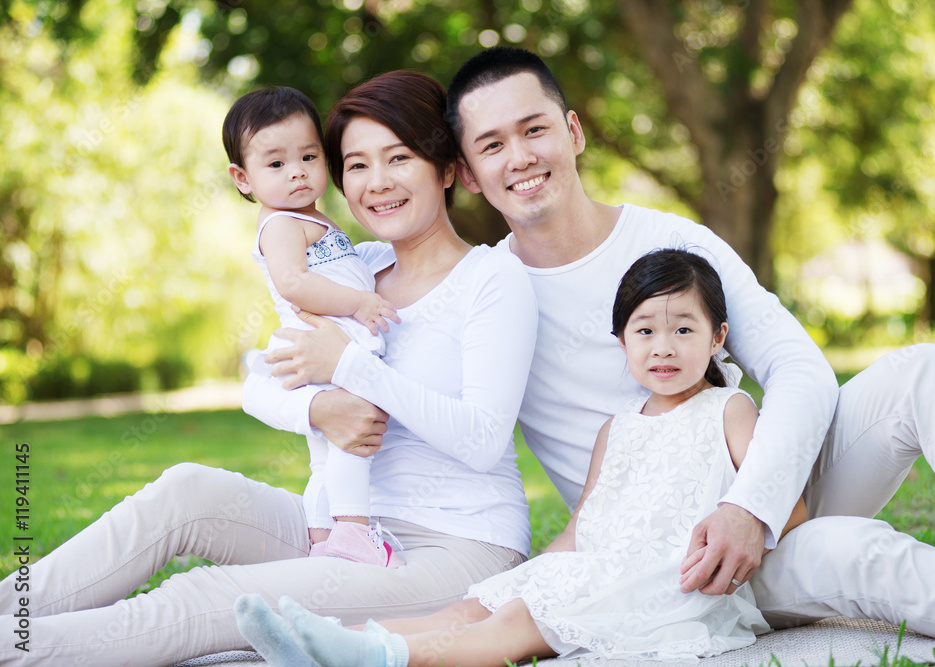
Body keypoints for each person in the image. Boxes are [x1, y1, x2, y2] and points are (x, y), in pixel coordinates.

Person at [272, 46, 935, 642]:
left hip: (768, 484)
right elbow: (349, 363)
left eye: (535, 129)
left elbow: (799, 367)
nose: (520, 157)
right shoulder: (485, 292)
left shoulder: (671, 239)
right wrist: (319, 407)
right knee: (861, 559)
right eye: (492, 144)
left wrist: (753, 503)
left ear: (575, 131)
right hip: (669, 554)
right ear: (464, 170)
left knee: (922, 372)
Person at [0, 70, 537, 666]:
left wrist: (352, 367)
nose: (377, 183)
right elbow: (259, 383)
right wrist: (317, 406)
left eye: (399, 158)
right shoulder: (353, 267)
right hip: (340, 529)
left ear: (445, 169)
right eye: (356, 165)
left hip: (455, 549)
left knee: (208, 599)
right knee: (187, 490)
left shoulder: (492, 278)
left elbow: (484, 440)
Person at [232, 247, 802, 666]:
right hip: (598, 567)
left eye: (684, 328)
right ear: (622, 342)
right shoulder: (618, 429)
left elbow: (779, 503)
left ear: (718, 336)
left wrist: (739, 530)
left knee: (519, 619)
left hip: (665, 582)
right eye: (645, 330)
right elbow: (583, 529)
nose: (664, 346)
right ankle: (324, 640)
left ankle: (384, 657)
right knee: (475, 604)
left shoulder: (729, 409)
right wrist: (534, 573)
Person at [223, 85, 402, 567]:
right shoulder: (280, 224)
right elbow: (294, 282)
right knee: (348, 437)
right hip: (330, 347)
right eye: (276, 164)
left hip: (333, 345)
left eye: (308, 155)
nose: (298, 171)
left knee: (324, 455)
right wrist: (360, 302)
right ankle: (352, 529)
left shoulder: (311, 217)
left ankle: (321, 537)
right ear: (243, 178)